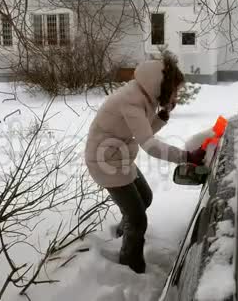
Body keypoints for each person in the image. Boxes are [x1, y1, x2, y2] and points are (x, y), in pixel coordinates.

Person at [85, 52, 206, 274]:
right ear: (163, 85)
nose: (176, 93)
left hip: (118, 156)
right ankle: (130, 264)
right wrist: (186, 156)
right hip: (105, 161)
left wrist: (163, 116)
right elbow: (148, 144)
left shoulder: (142, 96)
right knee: (138, 218)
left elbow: (143, 131)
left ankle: (125, 231)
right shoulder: (131, 100)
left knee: (145, 198)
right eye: (175, 89)